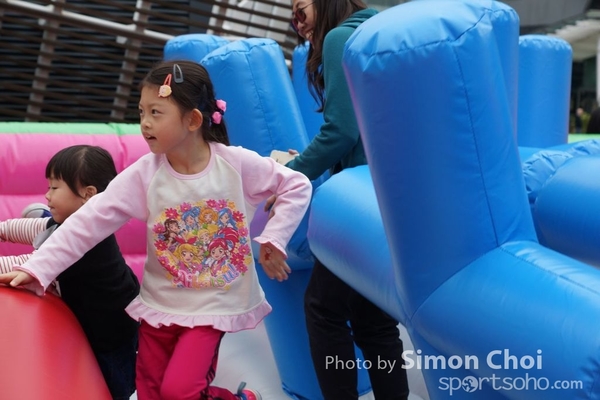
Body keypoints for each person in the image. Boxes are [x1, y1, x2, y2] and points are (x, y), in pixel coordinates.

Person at [0, 60, 312, 400]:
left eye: (156, 112)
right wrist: (37, 268)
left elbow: (296, 184)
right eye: (141, 112)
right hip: (160, 305)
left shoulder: (235, 164)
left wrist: (274, 238)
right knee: (149, 393)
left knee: (179, 391)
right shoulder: (145, 175)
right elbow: (87, 222)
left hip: (214, 306)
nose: (145, 123)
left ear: (193, 120)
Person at [281, 1, 411, 399]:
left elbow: (341, 131)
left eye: (300, 9)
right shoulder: (380, 31)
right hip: (398, 194)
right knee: (372, 319)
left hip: (362, 199)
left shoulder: (342, 38)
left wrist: (290, 172)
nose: (297, 23)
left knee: (322, 309)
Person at [0, 145, 140, 400]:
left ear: (88, 195)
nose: (47, 194)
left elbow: (32, 264)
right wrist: (2, 230)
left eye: (55, 188)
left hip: (110, 331)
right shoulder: (66, 223)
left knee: (113, 384)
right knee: (46, 226)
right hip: (101, 306)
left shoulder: (86, 242)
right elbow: (33, 228)